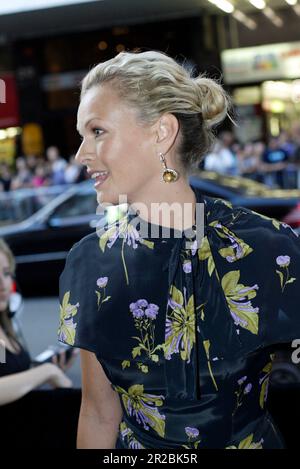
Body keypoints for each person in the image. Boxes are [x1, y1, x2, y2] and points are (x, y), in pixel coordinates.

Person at [57, 49, 300, 449]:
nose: (82, 154)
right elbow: (99, 413)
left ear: (161, 132)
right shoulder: (90, 263)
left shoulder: (267, 248)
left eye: (97, 132)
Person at [0, 239, 81, 447]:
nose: (3, 284)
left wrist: (50, 367)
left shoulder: (6, 326)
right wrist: (46, 372)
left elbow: (8, 373)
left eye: (7, 273)